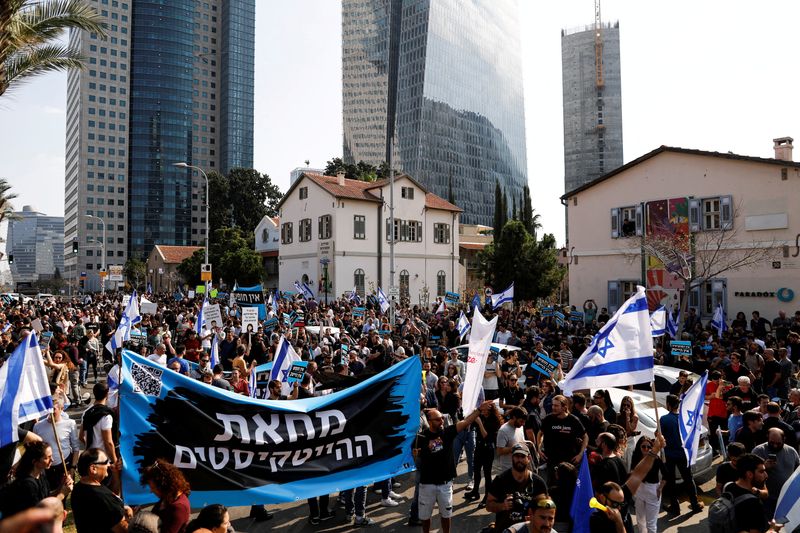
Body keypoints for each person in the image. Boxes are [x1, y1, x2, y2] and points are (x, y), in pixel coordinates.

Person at [415, 400, 494, 533]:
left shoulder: (447, 432)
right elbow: (415, 460)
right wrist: (416, 455)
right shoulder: (421, 437)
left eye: (442, 418)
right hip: (427, 483)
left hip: (445, 484)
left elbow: (466, 421)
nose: (442, 421)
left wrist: (479, 410)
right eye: (438, 419)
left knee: (446, 515)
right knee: (425, 516)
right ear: (429, 421)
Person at [588, 434, 668, 533]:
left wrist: (655, 451)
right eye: (615, 504)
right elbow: (637, 475)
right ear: (601, 498)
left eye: (622, 503)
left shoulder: (599, 520)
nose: (620, 508)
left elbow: (638, 474)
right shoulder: (597, 521)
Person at [0, 442, 73, 518]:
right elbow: (41, 512)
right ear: (35, 462)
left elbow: (46, 498)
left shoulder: (41, 474)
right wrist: (62, 494)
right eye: (47, 457)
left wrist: (61, 486)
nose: (52, 460)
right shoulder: (27, 484)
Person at [486, 443, 548, 532]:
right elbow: (488, 506)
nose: (519, 460)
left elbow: (546, 510)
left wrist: (534, 517)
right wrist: (503, 506)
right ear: (512, 457)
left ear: (529, 458)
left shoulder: (538, 483)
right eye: (517, 456)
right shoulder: (500, 480)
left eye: (522, 456)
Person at [659, 394, 703, 514]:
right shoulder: (685, 418)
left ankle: (675, 507)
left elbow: (659, 436)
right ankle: (695, 504)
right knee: (688, 479)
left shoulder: (664, 419)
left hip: (670, 454)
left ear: (668, 404)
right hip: (684, 453)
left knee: (671, 481)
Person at [71, 448, 132, 532]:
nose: (109, 465)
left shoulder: (78, 489)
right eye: (106, 462)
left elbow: (112, 496)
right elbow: (122, 529)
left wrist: (115, 474)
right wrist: (131, 517)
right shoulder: (102, 497)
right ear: (93, 469)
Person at [32, 398, 80, 490]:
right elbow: (35, 448)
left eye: (54, 409)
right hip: (45, 469)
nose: (51, 412)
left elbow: (76, 448)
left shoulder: (70, 424)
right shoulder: (38, 426)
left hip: (64, 465)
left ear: (62, 408)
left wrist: (73, 467)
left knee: (64, 493)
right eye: (48, 409)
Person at [752, 427, 800, 517]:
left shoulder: (791, 451)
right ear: (767, 437)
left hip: (788, 498)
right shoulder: (758, 451)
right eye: (772, 443)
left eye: (778, 443)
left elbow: (798, 470)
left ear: (784, 439)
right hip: (768, 499)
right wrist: (764, 467)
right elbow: (750, 473)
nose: (775, 446)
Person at [539, 395, 588, 483]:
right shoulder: (548, 419)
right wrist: (539, 449)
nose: (553, 408)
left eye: (556, 406)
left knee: (569, 486)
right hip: (552, 461)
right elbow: (540, 434)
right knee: (552, 486)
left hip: (569, 462)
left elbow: (585, 437)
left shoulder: (573, 420)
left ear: (564, 407)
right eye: (553, 405)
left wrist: (580, 454)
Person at [718, 453, 770, 533]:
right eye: (761, 471)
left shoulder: (728, 486)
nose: (766, 475)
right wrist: (773, 529)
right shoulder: (754, 504)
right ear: (749, 474)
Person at [140, 459, 192, 533]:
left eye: (153, 488)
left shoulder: (179, 508)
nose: (151, 491)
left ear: (164, 486)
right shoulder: (167, 498)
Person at [467, 401, 504, 504]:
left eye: (485, 410)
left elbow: (487, 437)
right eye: (482, 410)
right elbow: (468, 420)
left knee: (487, 474)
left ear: (490, 410)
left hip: (488, 449)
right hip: (479, 447)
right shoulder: (481, 416)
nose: (483, 412)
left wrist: (479, 423)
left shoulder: (494, 420)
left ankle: (487, 496)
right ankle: (475, 491)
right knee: (476, 470)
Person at [630, 436, 667, 533]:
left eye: (649, 447)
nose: (646, 449)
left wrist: (660, 488)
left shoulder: (656, 458)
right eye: (643, 447)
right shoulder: (636, 457)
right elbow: (632, 472)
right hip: (640, 489)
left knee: (651, 524)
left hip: (652, 490)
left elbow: (666, 474)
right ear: (639, 447)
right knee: (640, 521)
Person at [496, 407, 528, 476]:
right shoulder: (503, 430)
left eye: (524, 422)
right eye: (521, 421)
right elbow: (499, 451)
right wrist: (513, 448)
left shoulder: (520, 426)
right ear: (514, 417)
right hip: (508, 469)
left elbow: (520, 440)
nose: (523, 424)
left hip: (521, 467)